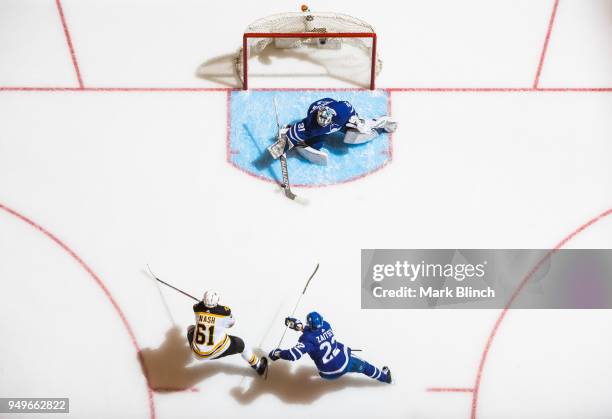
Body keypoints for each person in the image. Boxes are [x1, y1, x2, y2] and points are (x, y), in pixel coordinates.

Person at [268, 311, 391, 383]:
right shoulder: (326, 325)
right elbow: (316, 334)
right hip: (344, 362)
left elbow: (293, 355)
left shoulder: (306, 339)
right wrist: (300, 327)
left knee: (301, 372)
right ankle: (386, 378)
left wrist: (277, 353)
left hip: (327, 374)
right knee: (365, 366)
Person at [267, 98, 397, 165]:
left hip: (335, 112)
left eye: (324, 122)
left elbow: (348, 107)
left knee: (358, 128)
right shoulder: (311, 124)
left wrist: (357, 120)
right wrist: (279, 147)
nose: (321, 123)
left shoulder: (342, 112)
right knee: (316, 144)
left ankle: (382, 123)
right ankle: (293, 130)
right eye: (320, 120)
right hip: (316, 108)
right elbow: (295, 133)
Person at [187, 290, 267, 375]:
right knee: (241, 345)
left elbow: (201, 308)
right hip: (214, 350)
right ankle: (258, 366)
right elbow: (230, 324)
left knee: (190, 328)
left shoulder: (197, 309)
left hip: (196, 353)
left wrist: (204, 307)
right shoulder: (224, 312)